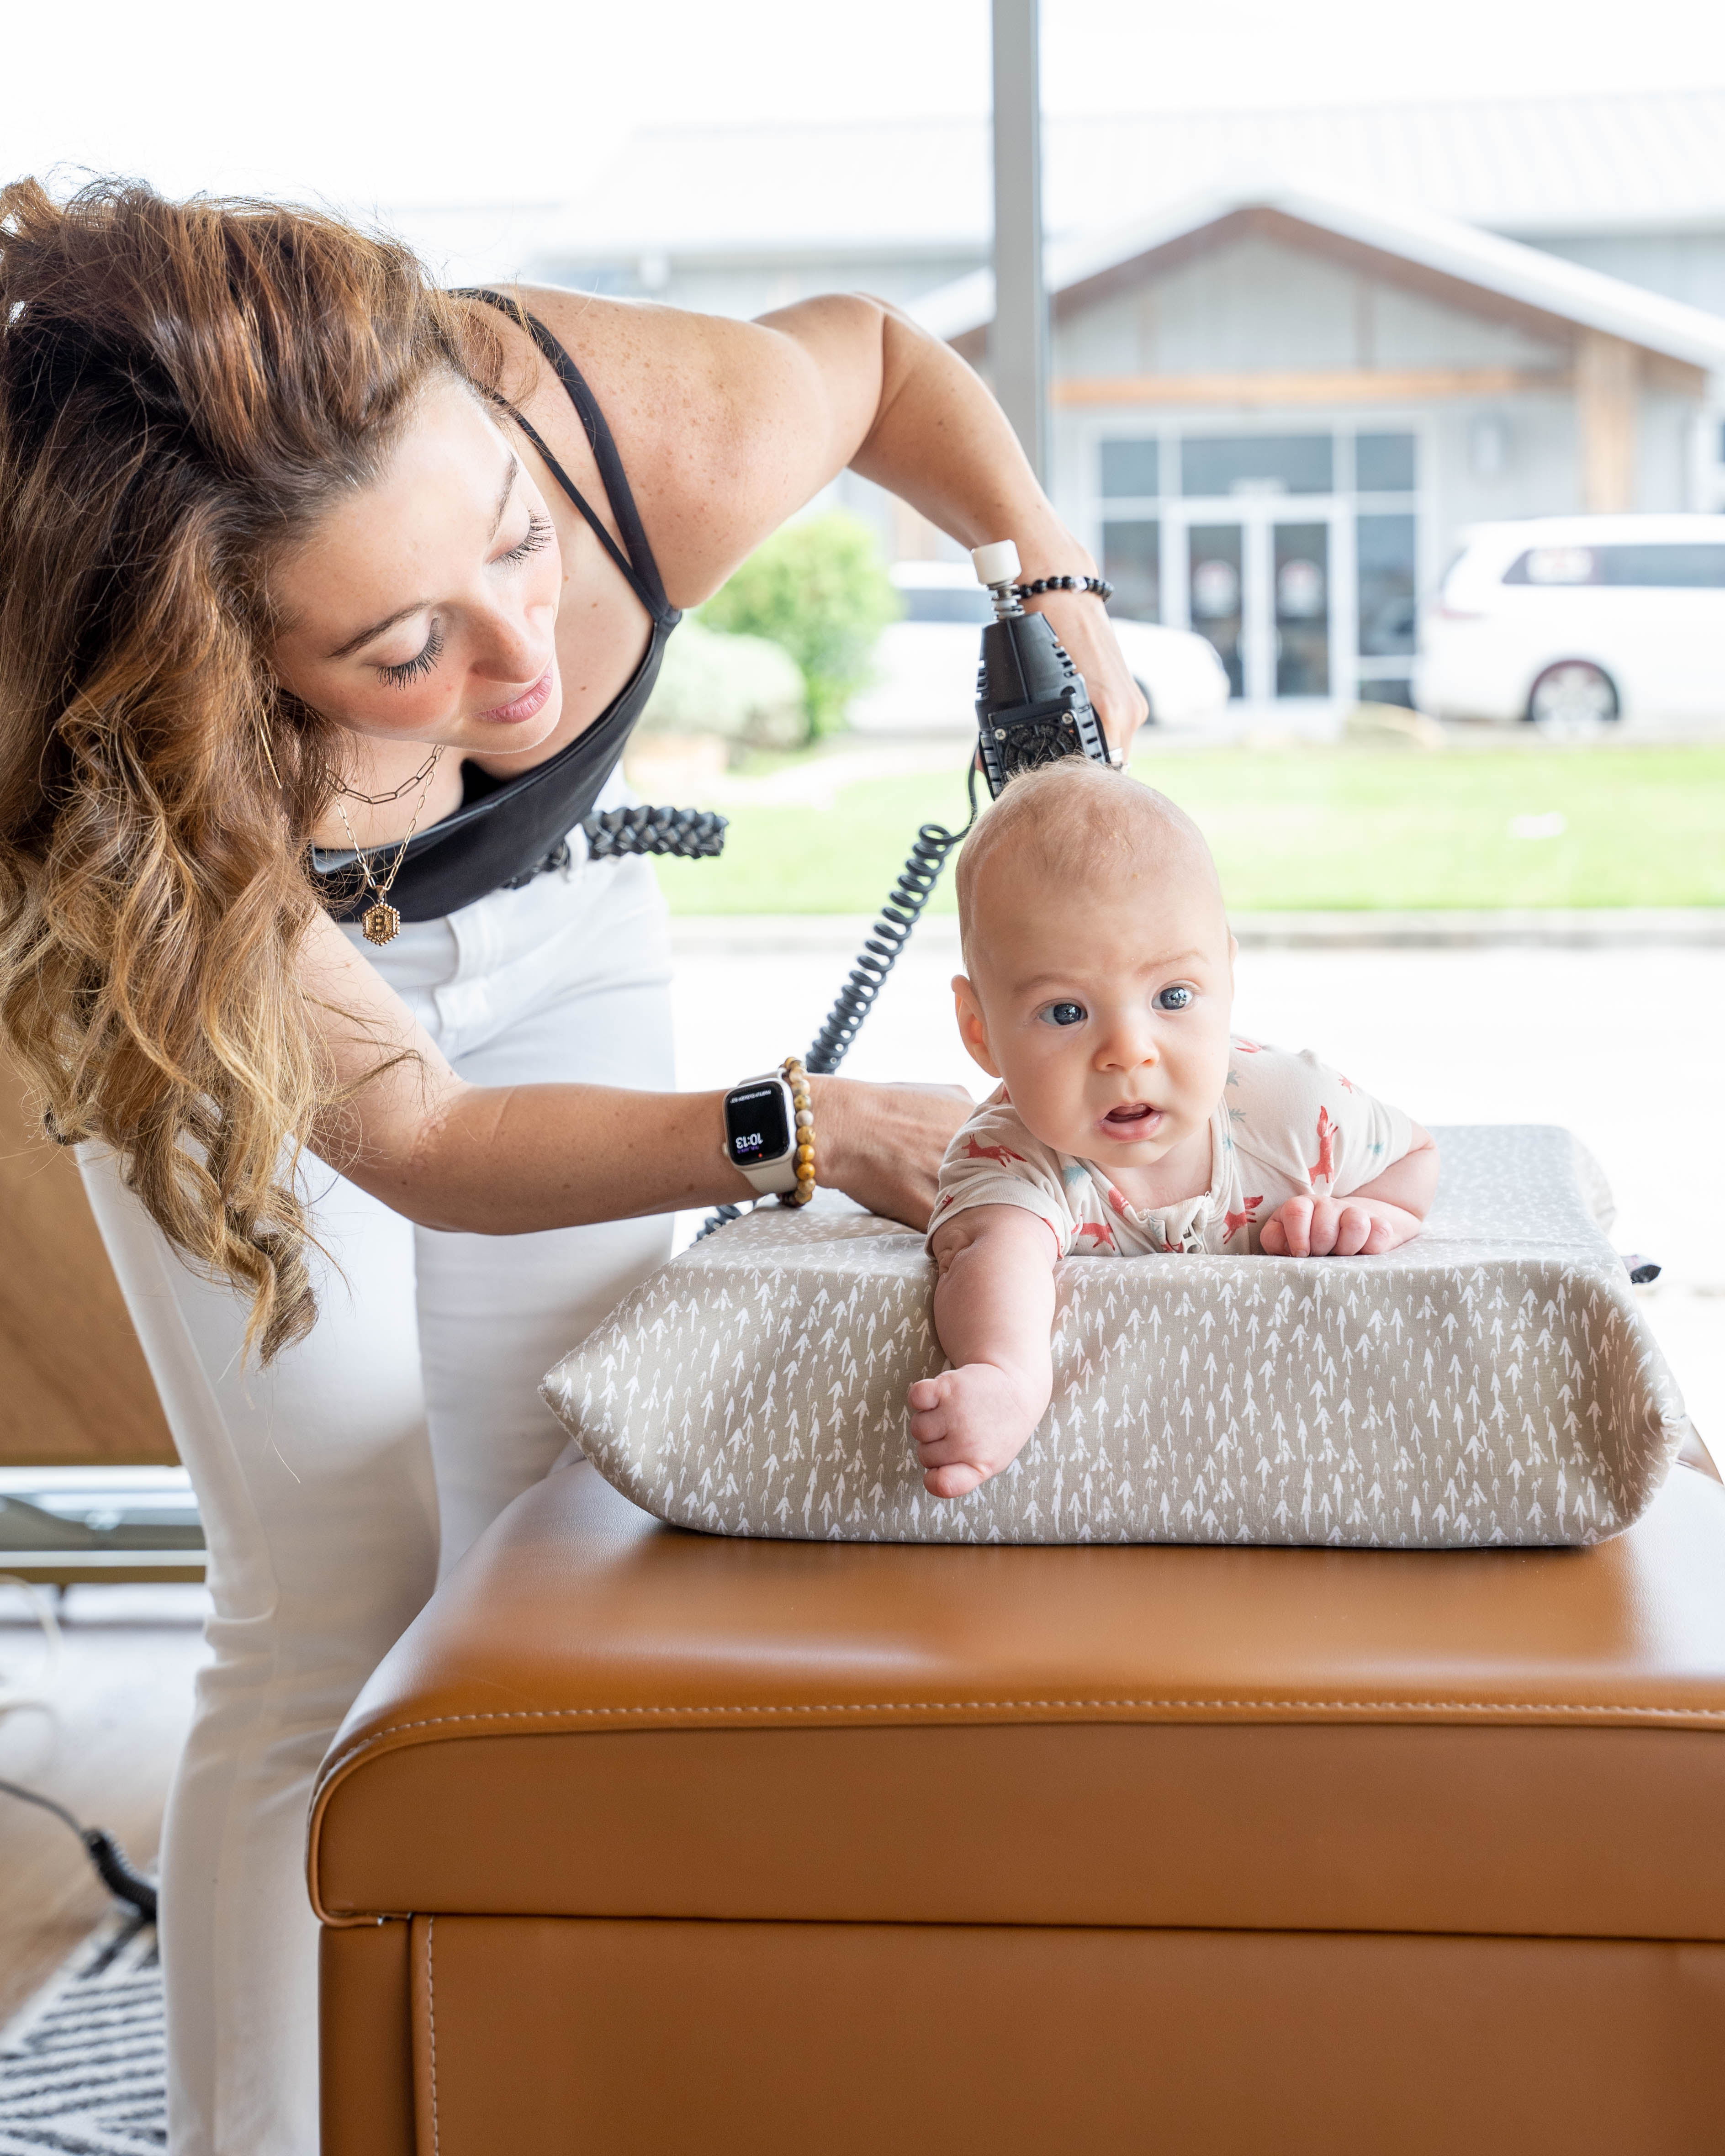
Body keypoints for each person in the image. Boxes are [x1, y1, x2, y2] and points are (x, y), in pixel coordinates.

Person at [0, 179, 1146, 2154]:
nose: (528, 661)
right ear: (229, 658)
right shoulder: (140, 760)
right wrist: (802, 1126)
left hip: (559, 926)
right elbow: (421, 1136)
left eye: (516, 548)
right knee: (333, 1592)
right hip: (224, 977)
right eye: (402, 646)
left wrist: (1041, 576)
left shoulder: (630, 432)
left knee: (555, 1533)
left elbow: (869, 362)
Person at [907, 760, 1439, 1498]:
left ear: (1226, 975)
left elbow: (1416, 1151)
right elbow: (998, 1257)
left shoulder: (1293, 1107)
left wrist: (1376, 1212)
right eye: (1067, 1012)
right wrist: (1009, 1375)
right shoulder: (1008, 1153)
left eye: (1173, 995)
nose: (1129, 1050)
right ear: (981, 1031)